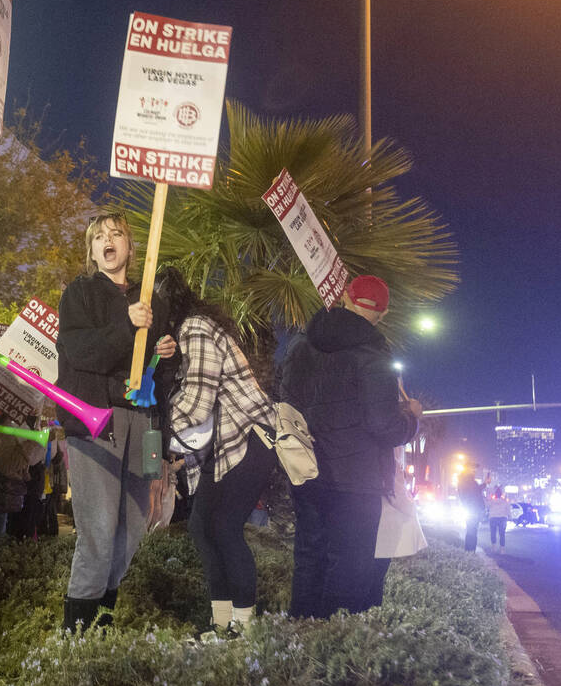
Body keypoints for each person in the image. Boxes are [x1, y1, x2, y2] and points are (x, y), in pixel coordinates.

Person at [55, 211, 176, 632]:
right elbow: (81, 354)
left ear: (129, 246)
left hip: (144, 427)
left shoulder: (152, 301)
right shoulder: (79, 294)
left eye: (117, 234)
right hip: (97, 426)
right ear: (92, 251)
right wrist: (127, 325)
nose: (108, 241)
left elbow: (160, 380)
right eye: (99, 237)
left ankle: (102, 625)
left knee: (133, 528)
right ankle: (78, 634)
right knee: (99, 530)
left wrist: (165, 353)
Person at [280, 274, 421, 619]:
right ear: (383, 314)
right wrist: (413, 419)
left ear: (344, 297)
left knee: (310, 557)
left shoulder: (301, 344)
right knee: (351, 566)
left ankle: (299, 639)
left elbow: (285, 402)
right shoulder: (375, 357)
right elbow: (385, 428)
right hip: (356, 481)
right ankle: (334, 647)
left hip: (308, 471)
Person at [158, 267, 277, 635]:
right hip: (225, 447)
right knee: (202, 527)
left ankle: (242, 630)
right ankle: (221, 623)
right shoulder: (183, 335)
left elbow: (196, 403)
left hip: (248, 440)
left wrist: (154, 431)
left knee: (223, 528)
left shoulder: (195, 328)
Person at [460, 466, 486, 552]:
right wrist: (485, 483)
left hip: (471, 509)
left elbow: (475, 491)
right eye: (473, 470)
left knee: (471, 531)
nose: (474, 472)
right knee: (472, 532)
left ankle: (469, 552)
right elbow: (475, 491)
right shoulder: (468, 482)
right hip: (473, 509)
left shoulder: (465, 481)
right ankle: (470, 552)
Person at [487, 486, 509, 554]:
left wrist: (489, 496)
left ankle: (494, 547)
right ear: (501, 494)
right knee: (502, 534)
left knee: (493, 533)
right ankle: (502, 549)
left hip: (493, 518)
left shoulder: (492, 501)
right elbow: (508, 510)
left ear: (495, 494)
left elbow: (486, 505)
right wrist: (509, 516)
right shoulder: (505, 501)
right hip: (502, 518)